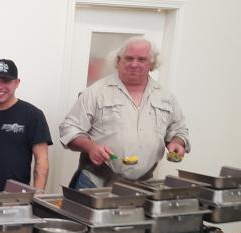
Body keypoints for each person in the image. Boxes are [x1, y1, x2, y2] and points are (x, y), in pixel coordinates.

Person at [59, 37, 190, 188]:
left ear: (152, 64)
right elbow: (69, 128)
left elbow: (179, 130)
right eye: (129, 58)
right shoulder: (96, 92)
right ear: (118, 60)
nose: (134, 64)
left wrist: (177, 143)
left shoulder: (166, 96)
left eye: (141, 59)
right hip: (95, 181)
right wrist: (91, 147)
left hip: (143, 184)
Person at [0, 59, 52, 192]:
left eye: (6, 80)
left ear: (17, 83)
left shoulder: (33, 115)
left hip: (17, 199)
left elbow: (42, 161)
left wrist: (37, 197)